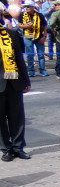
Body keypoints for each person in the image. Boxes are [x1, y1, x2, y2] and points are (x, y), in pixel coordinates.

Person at [0, 23, 30, 161]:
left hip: (12, 78)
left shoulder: (10, 34)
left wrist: (26, 80)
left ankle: (18, 147)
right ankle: (6, 149)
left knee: (16, 117)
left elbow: (19, 58)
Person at [18, 2, 47, 77]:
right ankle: (31, 71)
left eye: (28, 6)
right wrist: (25, 26)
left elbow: (45, 26)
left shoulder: (39, 15)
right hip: (28, 36)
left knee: (41, 54)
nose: (27, 8)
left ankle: (42, 70)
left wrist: (44, 36)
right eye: (26, 6)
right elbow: (19, 25)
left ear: (33, 7)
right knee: (30, 55)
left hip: (39, 36)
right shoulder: (22, 14)